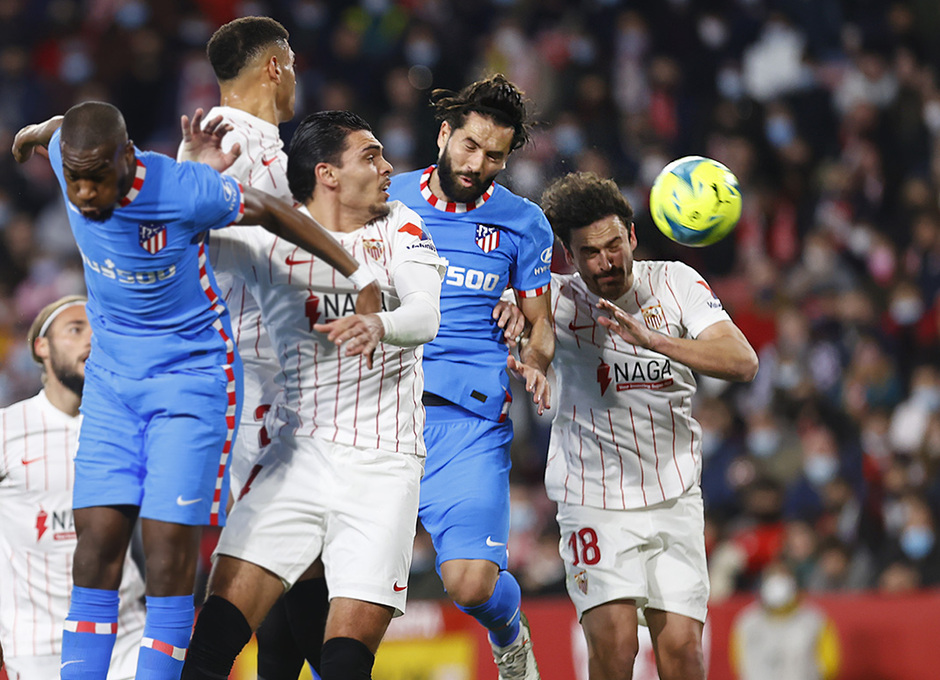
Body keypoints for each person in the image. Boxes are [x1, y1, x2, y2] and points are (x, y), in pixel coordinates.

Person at [11, 101, 379, 680]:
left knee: (165, 562)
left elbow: (270, 211)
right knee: (94, 553)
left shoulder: (179, 190)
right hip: (111, 386)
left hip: (189, 383)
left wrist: (359, 276)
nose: (82, 194)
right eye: (74, 179)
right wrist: (37, 131)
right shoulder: (72, 155)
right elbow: (62, 129)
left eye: (95, 179)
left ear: (127, 159)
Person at [180, 110, 444, 680]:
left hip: (384, 464)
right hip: (294, 457)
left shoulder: (399, 224)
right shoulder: (270, 236)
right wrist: (191, 174)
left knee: (344, 663)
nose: (388, 167)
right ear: (327, 173)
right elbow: (174, 239)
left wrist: (382, 326)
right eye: (371, 155)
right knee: (212, 646)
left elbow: (425, 315)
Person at [539, 171, 759, 680]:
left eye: (614, 245)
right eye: (589, 253)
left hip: (674, 495)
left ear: (632, 236)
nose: (606, 261)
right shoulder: (554, 297)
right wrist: (528, 353)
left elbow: (742, 361)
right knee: (615, 648)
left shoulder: (676, 282)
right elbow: (521, 334)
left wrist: (656, 341)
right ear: (569, 257)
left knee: (683, 653)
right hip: (592, 498)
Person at [387, 73, 554, 680]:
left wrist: (536, 357)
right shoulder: (387, 196)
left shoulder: (525, 222)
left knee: (470, 582)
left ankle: (510, 631)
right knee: (350, 589)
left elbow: (542, 323)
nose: (477, 162)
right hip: (380, 408)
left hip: (469, 419)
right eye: (469, 145)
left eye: (494, 156)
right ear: (444, 133)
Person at [180, 17, 330, 677]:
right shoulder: (229, 141)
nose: (296, 77)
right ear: (275, 66)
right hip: (254, 373)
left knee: (294, 551)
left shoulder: (259, 142)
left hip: (274, 372)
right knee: (280, 550)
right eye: (292, 64)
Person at [0, 297, 147, 680]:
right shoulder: (7, 429)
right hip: (38, 648)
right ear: (41, 347)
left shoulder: (127, 426)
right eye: (75, 329)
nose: (91, 340)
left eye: (97, 331)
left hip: (126, 634)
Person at [730, 562, 841, 680]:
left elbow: (830, 665)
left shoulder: (815, 620)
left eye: (783, 577)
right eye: (773, 577)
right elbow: (740, 663)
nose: (777, 584)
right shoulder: (747, 622)